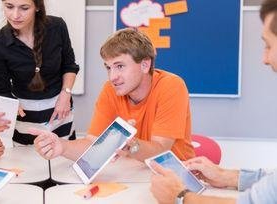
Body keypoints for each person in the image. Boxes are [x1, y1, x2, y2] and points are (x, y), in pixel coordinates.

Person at [150, 0, 277, 203]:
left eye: (268, 45)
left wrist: (180, 197)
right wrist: (228, 176)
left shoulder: (172, 85)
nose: (265, 58)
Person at [32, 28, 194, 162]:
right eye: (108, 68)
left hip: (174, 174)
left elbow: (161, 150)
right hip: (133, 174)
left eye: (120, 66)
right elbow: (92, 143)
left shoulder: (171, 85)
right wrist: (62, 146)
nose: (112, 77)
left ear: (145, 65)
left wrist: (131, 146)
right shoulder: (111, 89)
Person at [0, 0, 79, 146]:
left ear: (37, 7)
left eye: (24, 8)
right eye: (9, 7)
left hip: (61, 108)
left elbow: (69, 65)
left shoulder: (57, 27)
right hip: (25, 118)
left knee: (64, 159)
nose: (15, 15)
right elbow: (2, 90)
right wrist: (12, 106)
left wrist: (66, 94)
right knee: (29, 164)